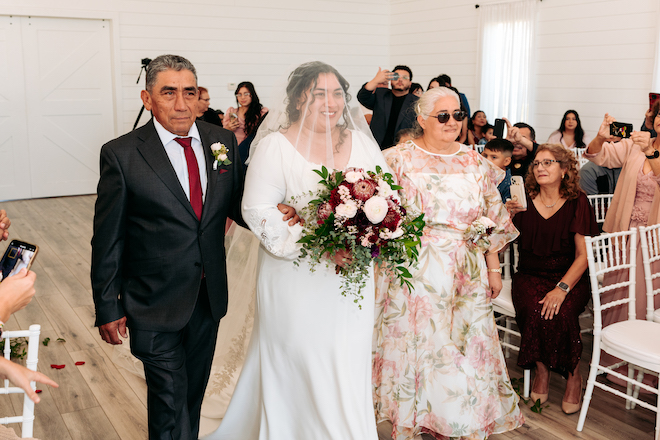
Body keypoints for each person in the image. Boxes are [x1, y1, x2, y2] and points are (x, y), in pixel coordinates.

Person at [91, 54, 296, 440]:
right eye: (168, 93)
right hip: (151, 299)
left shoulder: (219, 141)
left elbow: (236, 200)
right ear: (146, 98)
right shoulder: (121, 154)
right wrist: (107, 303)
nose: (181, 104)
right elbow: (107, 237)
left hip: (207, 294)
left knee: (190, 396)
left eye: (189, 92)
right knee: (170, 398)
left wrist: (274, 211)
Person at [203, 61, 388, 440]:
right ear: (300, 98)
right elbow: (257, 210)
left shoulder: (362, 142)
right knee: (300, 355)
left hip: (350, 278)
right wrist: (321, 245)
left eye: (337, 93)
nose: (330, 102)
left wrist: (371, 235)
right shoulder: (276, 145)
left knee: (346, 357)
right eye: (319, 93)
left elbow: (387, 197)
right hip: (294, 275)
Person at [373, 87, 523, 440]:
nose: (452, 122)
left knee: (460, 349)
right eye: (443, 116)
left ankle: (456, 421)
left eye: (458, 115)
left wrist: (493, 267)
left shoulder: (475, 161)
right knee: (418, 347)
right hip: (414, 270)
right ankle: (414, 419)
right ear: (422, 118)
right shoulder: (396, 159)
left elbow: (492, 218)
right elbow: (376, 216)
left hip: (465, 272)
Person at [506, 144, 599, 415]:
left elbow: (583, 257)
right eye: (536, 163)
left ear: (564, 169)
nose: (540, 168)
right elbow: (498, 247)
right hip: (529, 274)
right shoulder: (522, 200)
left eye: (548, 162)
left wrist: (562, 288)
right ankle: (542, 371)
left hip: (569, 275)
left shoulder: (577, 201)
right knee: (535, 310)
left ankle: (573, 375)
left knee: (563, 311)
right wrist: (507, 216)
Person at [584, 111, 660, 385]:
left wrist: (651, 151)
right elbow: (597, 155)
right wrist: (601, 137)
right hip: (625, 232)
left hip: (655, 239)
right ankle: (613, 358)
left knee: (644, 296)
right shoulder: (635, 144)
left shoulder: (647, 148)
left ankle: (643, 366)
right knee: (618, 292)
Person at [357, 65, 418, 149]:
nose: (400, 80)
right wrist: (376, 80)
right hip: (376, 147)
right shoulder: (381, 95)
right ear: (390, 80)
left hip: (403, 150)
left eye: (404, 77)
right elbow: (362, 97)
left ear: (410, 83)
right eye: (396, 76)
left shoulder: (417, 102)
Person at [483, 138, 514, 202]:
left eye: (494, 157)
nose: (487, 160)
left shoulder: (509, 184)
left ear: (506, 161)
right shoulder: (481, 173)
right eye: (485, 156)